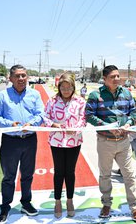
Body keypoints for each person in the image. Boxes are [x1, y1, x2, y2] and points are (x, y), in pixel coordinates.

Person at [85, 65, 136, 222]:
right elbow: (89, 115)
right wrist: (109, 128)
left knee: (129, 174)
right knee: (105, 175)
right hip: (105, 142)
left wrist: (129, 123)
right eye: (113, 77)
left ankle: (134, 206)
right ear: (104, 79)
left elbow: (133, 112)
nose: (117, 79)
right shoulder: (95, 95)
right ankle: (106, 204)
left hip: (124, 141)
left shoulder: (126, 93)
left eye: (118, 76)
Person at [0, 64, 45, 223]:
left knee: (28, 174)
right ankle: (5, 207)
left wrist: (32, 123)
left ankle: (26, 203)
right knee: (8, 176)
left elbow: (40, 114)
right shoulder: (2, 95)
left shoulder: (34, 95)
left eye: (24, 75)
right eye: (17, 76)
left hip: (29, 140)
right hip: (10, 141)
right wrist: (10, 124)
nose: (21, 79)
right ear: (11, 78)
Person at [43, 72, 86, 218]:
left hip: (74, 141)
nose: (66, 90)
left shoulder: (80, 101)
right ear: (59, 88)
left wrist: (76, 128)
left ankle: (69, 200)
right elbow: (45, 116)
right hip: (57, 141)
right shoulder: (52, 101)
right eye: (63, 87)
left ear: (73, 87)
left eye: (69, 87)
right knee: (59, 172)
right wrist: (53, 124)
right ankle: (57, 201)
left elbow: (83, 118)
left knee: (70, 172)